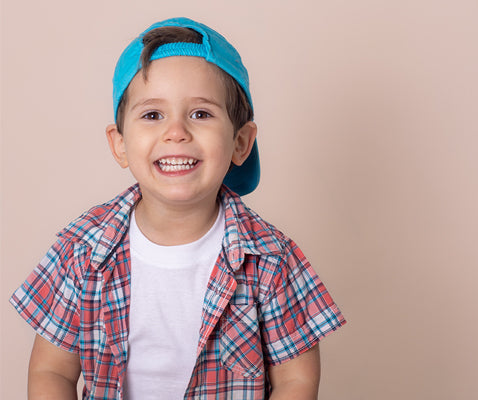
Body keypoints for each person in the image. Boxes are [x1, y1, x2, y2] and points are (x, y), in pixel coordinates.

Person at [10, 17, 346, 400]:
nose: (176, 132)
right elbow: (50, 370)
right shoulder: (81, 250)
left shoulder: (271, 260)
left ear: (240, 142)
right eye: (153, 115)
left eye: (200, 114)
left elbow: (296, 380)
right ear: (119, 143)